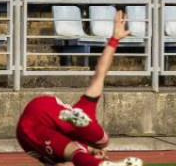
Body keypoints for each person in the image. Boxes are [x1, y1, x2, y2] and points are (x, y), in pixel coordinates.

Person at [16, 11, 143, 166]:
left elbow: (100, 73)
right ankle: (100, 157)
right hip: (35, 124)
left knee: (86, 147)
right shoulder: (77, 143)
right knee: (76, 151)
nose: (103, 155)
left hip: (46, 109)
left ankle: (96, 142)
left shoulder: (85, 111)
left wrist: (114, 40)